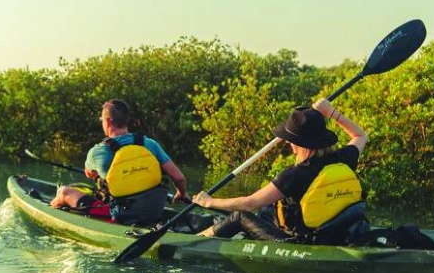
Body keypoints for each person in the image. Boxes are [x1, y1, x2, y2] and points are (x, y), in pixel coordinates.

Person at [192, 99, 369, 245]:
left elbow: (249, 204)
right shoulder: (344, 158)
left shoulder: (294, 175)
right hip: (336, 234)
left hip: (301, 242)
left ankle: (195, 241)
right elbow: (360, 136)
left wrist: (209, 202)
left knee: (239, 216)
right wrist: (330, 112)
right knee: (270, 208)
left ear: (297, 144)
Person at [50, 99, 189, 225]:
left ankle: (50, 212)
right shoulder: (149, 144)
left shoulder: (97, 152)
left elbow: (89, 173)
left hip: (119, 216)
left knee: (64, 192)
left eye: (101, 119)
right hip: (153, 212)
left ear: (108, 121)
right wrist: (181, 193)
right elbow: (179, 178)